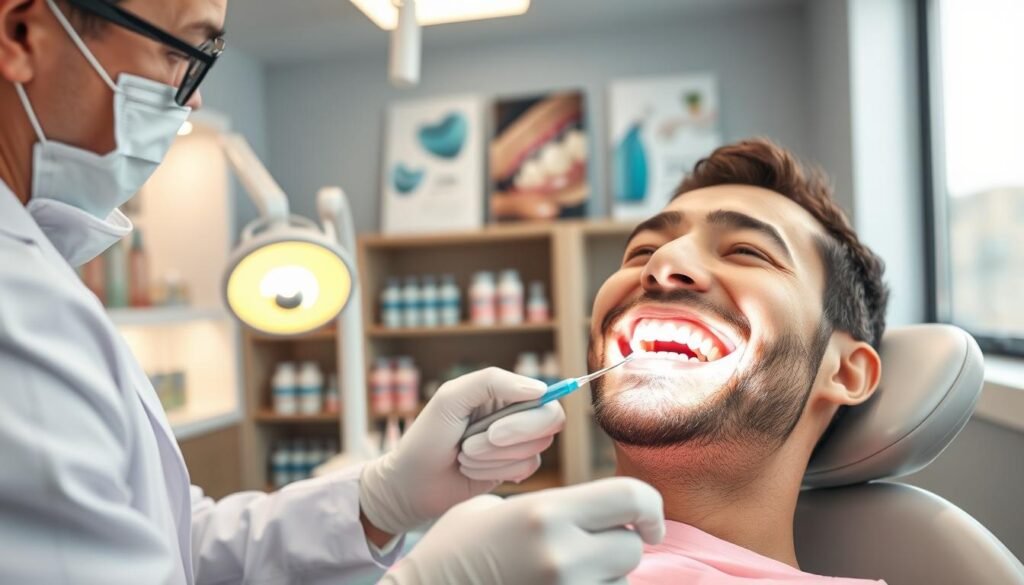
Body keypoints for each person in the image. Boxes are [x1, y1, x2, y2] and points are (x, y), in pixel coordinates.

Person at [0, 0, 664, 583]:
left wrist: (378, 501)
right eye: (183, 51)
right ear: (22, 33)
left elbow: (180, 549)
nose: (192, 98)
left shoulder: (40, 276)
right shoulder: (19, 313)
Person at [587, 138, 890, 584]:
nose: (663, 263)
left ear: (844, 371)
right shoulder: (493, 550)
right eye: (641, 252)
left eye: (746, 251)